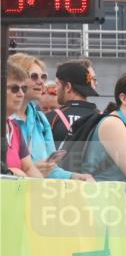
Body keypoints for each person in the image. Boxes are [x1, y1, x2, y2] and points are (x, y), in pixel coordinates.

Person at [5, 53, 90, 181]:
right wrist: (29, 171)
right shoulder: (12, 121)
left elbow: (51, 169)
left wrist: (72, 176)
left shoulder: (40, 120)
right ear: (17, 76)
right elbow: (20, 169)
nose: (40, 81)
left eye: (43, 76)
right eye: (34, 76)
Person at [5, 64, 43, 178]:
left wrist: (43, 188)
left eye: (24, 88)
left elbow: (28, 168)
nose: (21, 94)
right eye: (14, 88)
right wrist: (8, 173)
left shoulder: (14, 128)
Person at [50, 60, 100, 144]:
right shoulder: (102, 118)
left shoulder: (51, 119)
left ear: (68, 87)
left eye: (57, 84)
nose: (55, 89)